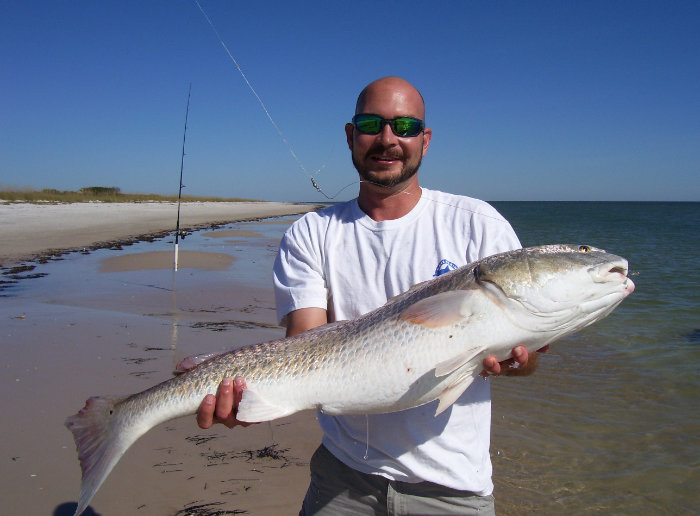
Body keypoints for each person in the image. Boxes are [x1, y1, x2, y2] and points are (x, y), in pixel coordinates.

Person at [197, 76, 544, 515]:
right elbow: (305, 349)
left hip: (453, 489)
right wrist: (251, 397)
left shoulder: (479, 225)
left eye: (405, 126)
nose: (387, 139)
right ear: (349, 135)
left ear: (426, 139)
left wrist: (519, 361)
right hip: (343, 481)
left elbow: (526, 363)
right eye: (370, 124)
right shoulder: (310, 234)